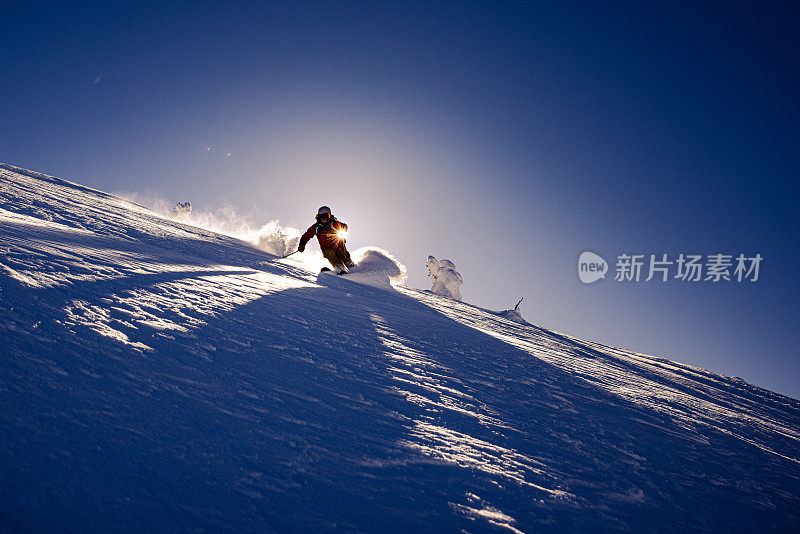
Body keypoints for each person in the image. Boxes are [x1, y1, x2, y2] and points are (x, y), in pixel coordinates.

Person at [297, 206, 355, 271]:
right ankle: (339, 268)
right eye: (323, 216)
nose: (325, 218)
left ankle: (351, 266)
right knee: (331, 255)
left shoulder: (334, 223)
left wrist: (342, 231)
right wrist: (302, 246)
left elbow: (344, 226)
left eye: (327, 216)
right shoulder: (316, 227)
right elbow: (305, 236)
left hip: (338, 245)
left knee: (342, 253)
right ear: (319, 217)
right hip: (327, 248)